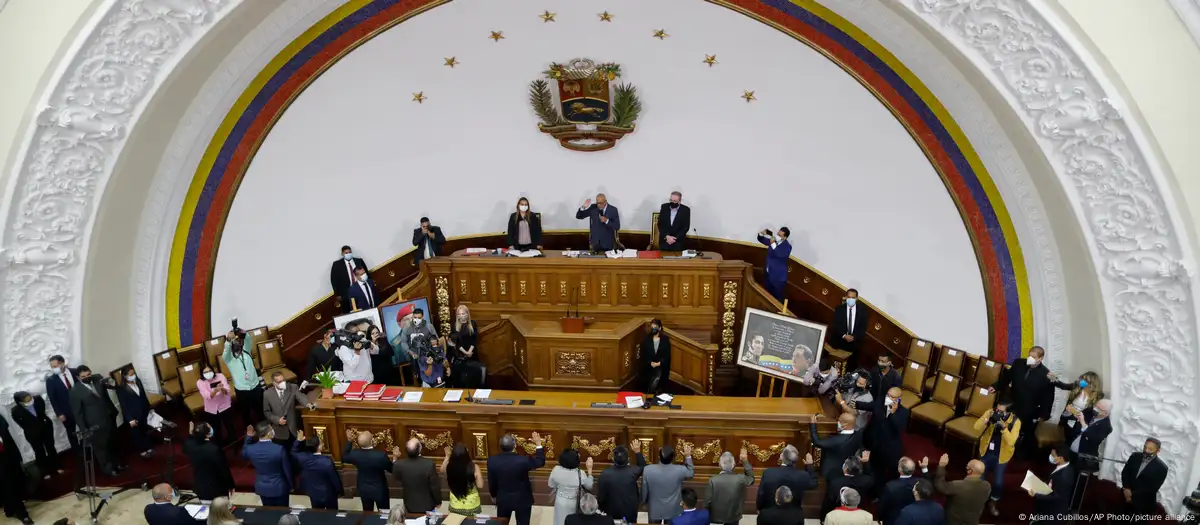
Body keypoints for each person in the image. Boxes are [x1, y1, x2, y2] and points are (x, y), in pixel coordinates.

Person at [988, 345, 1054, 459]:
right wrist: (996, 386)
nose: (1030, 358)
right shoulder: (1018, 363)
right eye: (1029, 355)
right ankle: (1000, 448)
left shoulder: (1046, 375)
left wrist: (1044, 414)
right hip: (1013, 402)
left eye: (1033, 357)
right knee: (1004, 425)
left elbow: (1048, 397)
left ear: (1040, 358)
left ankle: (1019, 454)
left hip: (1029, 408)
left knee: (1025, 431)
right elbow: (1006, 377)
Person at [69, 365, 122, 476]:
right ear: (78, 378)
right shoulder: (75, 391)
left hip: (109, 416)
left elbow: (111, 387)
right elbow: (78, 413)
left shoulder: (97, 378)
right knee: (100, 448)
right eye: (83, 376)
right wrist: (85, 430)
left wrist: (111, 381)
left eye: (88, 374)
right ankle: (108, 469)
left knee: (112, 442)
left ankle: (117, 463)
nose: (87, 377)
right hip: (94, 423)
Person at [488, 432, 546, 525]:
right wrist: (538, 444)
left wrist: (494, 495)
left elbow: (492, 481)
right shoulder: (523, 460)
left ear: (500, 446)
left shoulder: (492, 461)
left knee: (502, 523)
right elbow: (540, 461)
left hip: (503, 498)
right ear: (514, 445)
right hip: (522, 499)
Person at [974, 400, 1019, 517]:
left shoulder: (1015, 422)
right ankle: (980, 502)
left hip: (1001, 456)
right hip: (986, 452)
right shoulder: (990, 413)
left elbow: (1011, 442)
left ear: (1009, 413)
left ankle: (993, 502)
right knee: (981, 479)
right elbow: (976, 427)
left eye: (1001, 411)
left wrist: (1004, 429)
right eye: (997, 409)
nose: (998, 413)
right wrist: (986, 421)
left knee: (998, 483)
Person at [11, 391, 63, 479]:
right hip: (32, 433)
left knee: (51, 448)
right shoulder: (15, 411)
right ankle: (45, 472)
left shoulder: (38, 399)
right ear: (19, 402)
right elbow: (22, 424)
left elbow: (42, 411)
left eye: (30, 398)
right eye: (26, 400)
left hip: (46, 428)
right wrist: (33, 428)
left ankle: (57, 467)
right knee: (39, 452)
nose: (30, 400)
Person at [343, 430, 396, 512]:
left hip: (363, 489)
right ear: (372, 441)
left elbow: (345, 457)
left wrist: (349, 441)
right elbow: (392, 469)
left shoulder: (355, 454)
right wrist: (395, 458)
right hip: (380, 489)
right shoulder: (380, 456)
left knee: (367, 513)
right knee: (384, 513)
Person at [641, 444, 695, 523]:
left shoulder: (648, 470)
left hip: (655, 509)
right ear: (673, 458)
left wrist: (643, 502)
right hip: (673, 510)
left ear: (659, 457)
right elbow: (691, 473)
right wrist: (688, 456)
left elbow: (644, 490)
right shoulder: (680, 470)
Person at [242, 422, 293, 506]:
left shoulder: (250, 449)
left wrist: (248, 436)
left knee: (269, 513)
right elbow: (287, 470)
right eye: (271, 429)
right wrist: (291, 485)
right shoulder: (279, 449)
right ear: (269, 433)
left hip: (262, 488)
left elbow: (244, 453)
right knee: (283, 513)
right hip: (279, 487)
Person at [183, 422, 235, 502]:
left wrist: (190, 434)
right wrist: (230, 485)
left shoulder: (190, 445)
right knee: (220, 512)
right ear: (208, 434)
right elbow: (223, 470)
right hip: (217, 488)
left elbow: (187, 444)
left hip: (200, 486)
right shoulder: (214, 449)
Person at [932, 454, 990, 525]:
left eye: (967, 467)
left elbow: (940, 486)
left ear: (969, 471)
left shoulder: (957, 485)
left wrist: (941, 466)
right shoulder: (987, 486)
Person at [597, 441, 646, 522]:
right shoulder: (632, 472)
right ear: (627, 459)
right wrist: (637, 452)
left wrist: (601, 507)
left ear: (613, 458)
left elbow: (601, 495)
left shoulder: (605, 473)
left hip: (610, 510)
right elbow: (643, 466)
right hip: (630, 512)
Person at [291, 429, 341, 510]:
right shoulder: (326, 462)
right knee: (332, 513)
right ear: (319, 447)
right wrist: (339, 490)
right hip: (328, 493)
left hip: (313, 492)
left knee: (317, 514)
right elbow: (334, 479)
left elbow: (293, 452)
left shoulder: (303, 458)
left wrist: (298, 440)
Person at [1056, 372, 1104, 454]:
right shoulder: (1077, 388)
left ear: (1091, 383)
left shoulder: (1098, 397)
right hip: (1068, 420)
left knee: (1073, 446)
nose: (1081, 381)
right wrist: (1054, 379)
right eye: (1082, 378)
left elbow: (1093, 416)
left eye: (1084, 380)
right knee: (1066, 442)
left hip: (1079, 425)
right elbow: (1063, 386)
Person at [223, 329, 264, 426]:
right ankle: (249, 429)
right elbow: (226, 351)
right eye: (234, 343)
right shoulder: (229, 359)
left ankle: (263, 426)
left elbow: (248, 339)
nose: (237, 344)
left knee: (259, 408)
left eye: (238, 342)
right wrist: (229, 340)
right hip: (242, 390)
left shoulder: (246, 351)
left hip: (255, 386)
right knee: (245, 412)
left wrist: (241, 331)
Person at [756, 445, 815, 512]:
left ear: (781, 457)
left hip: (770, 513)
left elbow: (761, 493)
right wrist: (810, 465)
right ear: (796, 459)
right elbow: (813, 484)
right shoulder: (803, 475)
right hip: (794, 515)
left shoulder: (768, 473)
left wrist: (759, 508)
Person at [1120, 437, 1168, 520]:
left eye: (1150, 449)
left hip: (1143, 503)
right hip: (1125, 495)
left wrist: (1131, 495)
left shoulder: (1162, 468)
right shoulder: (1134, 456)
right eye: (1145, 447)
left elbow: (1153, 488)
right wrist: (1126, 489)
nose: (1146, 450)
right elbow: (1125, 473)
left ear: (1158, 451)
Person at [871, 387, 909, 487]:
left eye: (892, 397)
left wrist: (893, 413)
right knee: (876, 470)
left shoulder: (903, 412)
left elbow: (899, 428)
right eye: (888, 395)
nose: (888, 397)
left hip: (891, 447)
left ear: (898, 399)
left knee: (892, 471)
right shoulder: (881, 404)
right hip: (877, 443)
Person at [263, 371, 315, 445]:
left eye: (283, 380)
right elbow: (267, 412)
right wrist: (277, 420)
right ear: (274, 383)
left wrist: (308, 404)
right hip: (279, 432)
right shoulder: (267, 394)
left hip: (293, 427)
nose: (283, 383)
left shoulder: (292, 387)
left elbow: (301, 396)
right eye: (279, 382)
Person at [392, 437, 442, 514]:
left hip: (409, 503)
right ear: (420, 449)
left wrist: (395, 459)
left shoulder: (398, 464)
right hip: (427, 504)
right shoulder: (429, 464)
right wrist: (438, 501)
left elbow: (397, 478)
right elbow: (434, 486)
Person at [0, 416, 34, 524]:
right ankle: (15, 511)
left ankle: (16, 511)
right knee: (5, 484)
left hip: (7, 456)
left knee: (12, 483)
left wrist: (18, 457)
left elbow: (7, 435)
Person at [707, 449, 755, 525]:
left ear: (719, 465)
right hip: (734, 516)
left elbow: (707, 501)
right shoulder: (740, 479)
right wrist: (745, 461)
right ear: (734, 465)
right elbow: (751, 479)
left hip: (716, 517)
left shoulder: (713, 480)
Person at [1029, 445, 1075, 523]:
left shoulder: (1063, 476)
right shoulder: (1064, 467)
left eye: (1053, 455)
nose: (1051, 457)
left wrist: (1036, 494)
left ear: (1061, 458)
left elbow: (1056, 496)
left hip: (1053, 512)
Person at [810, 412, 863, 480]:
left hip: (830, 470)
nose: (838, 422)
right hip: (845, 467)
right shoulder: (859, 435)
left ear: (845, 425)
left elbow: (817, 442)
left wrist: (813, 425)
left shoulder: (837, 440)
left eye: (840, 421)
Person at [117, 364, 155, 457]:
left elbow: (143, 397)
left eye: (133, 373)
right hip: (133, 415)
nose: (133, 376)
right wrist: (130, 419)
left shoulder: (138, 381)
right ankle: (142, 451)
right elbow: (124, 405)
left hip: (143, 410)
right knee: (137, 434)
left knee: (145, 430)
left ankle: (148, 447)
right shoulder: (121, 388)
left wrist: (149, 408)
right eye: (130, 375)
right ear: (125, 376)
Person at [549, 448, 594, 525]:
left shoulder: (556, 470)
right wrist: (589, 470)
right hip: (574, 502)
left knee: (559, 520)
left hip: (560, 500)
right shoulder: (580, 473)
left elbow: (551, 484)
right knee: (572, 521)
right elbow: (589, 486)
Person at [45, 354, 80, 451]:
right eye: (52, 367)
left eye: (55, 366)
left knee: (86, 429)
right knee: (71, 433)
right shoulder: (50, 380)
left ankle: (89, 447)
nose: (53, 369)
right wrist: (59, 413)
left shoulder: (75, 372)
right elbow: (52, 398)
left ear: (63, 363)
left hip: (81, 407)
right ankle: (77, 452)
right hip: (66, 412)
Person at [195, 364, 234, 445]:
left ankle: (233, 440)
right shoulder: (200, 382)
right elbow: (207, 396)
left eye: (210, 371)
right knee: (216, 428)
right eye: (205, 372)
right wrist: (215, 390)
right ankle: (219, 444)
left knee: (229, 425)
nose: (208, 373)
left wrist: (222, 389)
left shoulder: (220, 376)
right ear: (202, 373)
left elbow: (227, 391)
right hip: (212, 409)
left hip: (224, 405)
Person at [878, 458, 925, 525]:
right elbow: (928, 483)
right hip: (914, 518)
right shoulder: (920, 482)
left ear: (899, 469)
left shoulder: (890, 486)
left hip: (893, 520)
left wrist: (880, 518)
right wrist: (924, 468)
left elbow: (883, 505)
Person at [1068, 398, 1113, 468]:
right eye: (1096, 406)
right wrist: (1069, 413)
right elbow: (1075, 419)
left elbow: (1092, 438)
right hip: (1069, 446)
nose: (1095, 408)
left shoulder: (1106, 427)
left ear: (1106, 413)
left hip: (1082, 456)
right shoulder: (1089, 411)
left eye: (1099, 408)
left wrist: (1083, 423)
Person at [398, 308, 439, 383]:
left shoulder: (429, 326)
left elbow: (436, 340)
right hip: (414, 358)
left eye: (419, 318)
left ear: (423, 317)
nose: (416, 319)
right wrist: (410, 352)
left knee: (431, 378)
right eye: (415, 317)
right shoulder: (407, 327)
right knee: (419, 379)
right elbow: (403, 342)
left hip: (428, 357)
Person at [442, 443, 484, 516]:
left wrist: (447, 457)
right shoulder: (474, 467)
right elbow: (480, 485)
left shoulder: (449, 466)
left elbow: (442, 469)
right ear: (467, 453)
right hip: (472, 504)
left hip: (455, 503)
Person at [448, 305, 483, 388]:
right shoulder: (455, 326)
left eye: (463, 313)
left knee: (473, 376)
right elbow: (456, 342)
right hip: (460, 354)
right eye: (459, 314)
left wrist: (470, 351)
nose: (461, 316)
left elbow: (474, 340)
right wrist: (465, 352)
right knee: (460, 377)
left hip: (472, 353)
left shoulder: (472, 324)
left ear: (467, 314)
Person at [831, 289, 869, 360]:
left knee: (852, 365)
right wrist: (844, 335)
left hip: (855, 344)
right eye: (849, 297)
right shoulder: (839, 309)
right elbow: (835, 325)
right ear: (846, 297)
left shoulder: (862, 311)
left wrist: (854, 337)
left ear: (857, 298)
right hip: (840, 342)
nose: (850, 299)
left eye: (853, 297)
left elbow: (863, 327)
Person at [756, 227, 791, 301]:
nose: (777, 236)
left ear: (785, 237)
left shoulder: (787, 247)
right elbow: (761, 239)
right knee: (767, 297)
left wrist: (772, 244)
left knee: (777, 299)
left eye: (780, 235)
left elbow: (780, 254)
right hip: (768, 274)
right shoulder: (774, 241)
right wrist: (761, 233)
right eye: (778, 234)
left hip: (778, 278)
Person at [331, 246, 368, 312]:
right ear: (342, 254)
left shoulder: (359, 261)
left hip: (360, 289)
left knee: (364, 308)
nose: (348, 254)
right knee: (348, 311)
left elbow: (366, 273)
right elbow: (334, 280)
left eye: (350, 252)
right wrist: (337, 294)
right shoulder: (337, 265)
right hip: (346, 293)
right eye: (346, 253)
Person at [642, 319, 671, 395]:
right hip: (649, 365)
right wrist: (650, 362)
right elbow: (644, 354)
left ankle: (651, 393)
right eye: (652, 328)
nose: (653, 329)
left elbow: (667, 355)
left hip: (661, 365)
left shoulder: (665, 340)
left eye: (655, 328)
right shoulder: (646, 339)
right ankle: (650, 394)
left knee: (658, 375)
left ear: (660, 328)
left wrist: (659, 363)